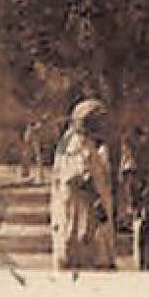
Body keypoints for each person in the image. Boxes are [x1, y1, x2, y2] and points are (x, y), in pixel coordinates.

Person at [50, 98, 116, 271]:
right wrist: (97, 203)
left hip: (78, 208)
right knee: (84, 249)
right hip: (81, 209)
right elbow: (82, 176)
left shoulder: (75, 141)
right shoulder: (78, 144)